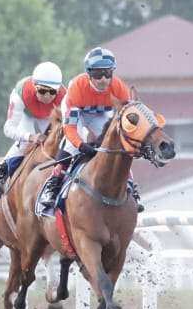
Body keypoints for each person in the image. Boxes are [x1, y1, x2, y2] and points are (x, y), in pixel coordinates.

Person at [36, 47, 136, 217]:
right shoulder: (77, 89)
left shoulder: (119, 88)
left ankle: (132, 186)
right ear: (89, 74)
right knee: (73, 144)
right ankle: (53, 186)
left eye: (107, 73)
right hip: (78, 112)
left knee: (116, 144)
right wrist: (81, 145)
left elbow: (128, 118)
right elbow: (70, 129)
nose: (103, 79)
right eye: (98, 74)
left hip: (101, 113)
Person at [0, 61, 65, 181]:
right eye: (42, 91)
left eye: (52, 92)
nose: (47, 96)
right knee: (23, 144)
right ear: (34, 86)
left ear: (58, 90)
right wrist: (30, 137)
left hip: (48, 118)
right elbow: (8, 128)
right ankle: (2, 172)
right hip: (27, 117)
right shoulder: (21, 93)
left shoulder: (64, 97)